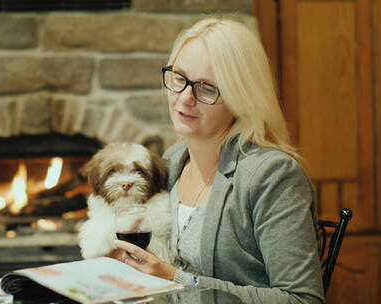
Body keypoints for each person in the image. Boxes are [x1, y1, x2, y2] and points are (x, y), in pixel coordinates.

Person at [110, 17, 326, 303]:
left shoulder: (272, 175)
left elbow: (303, 299)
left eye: (207, 88)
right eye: (179, 78)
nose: (185, 98)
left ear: (241, 97)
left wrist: (176, 279)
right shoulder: (173, 161)